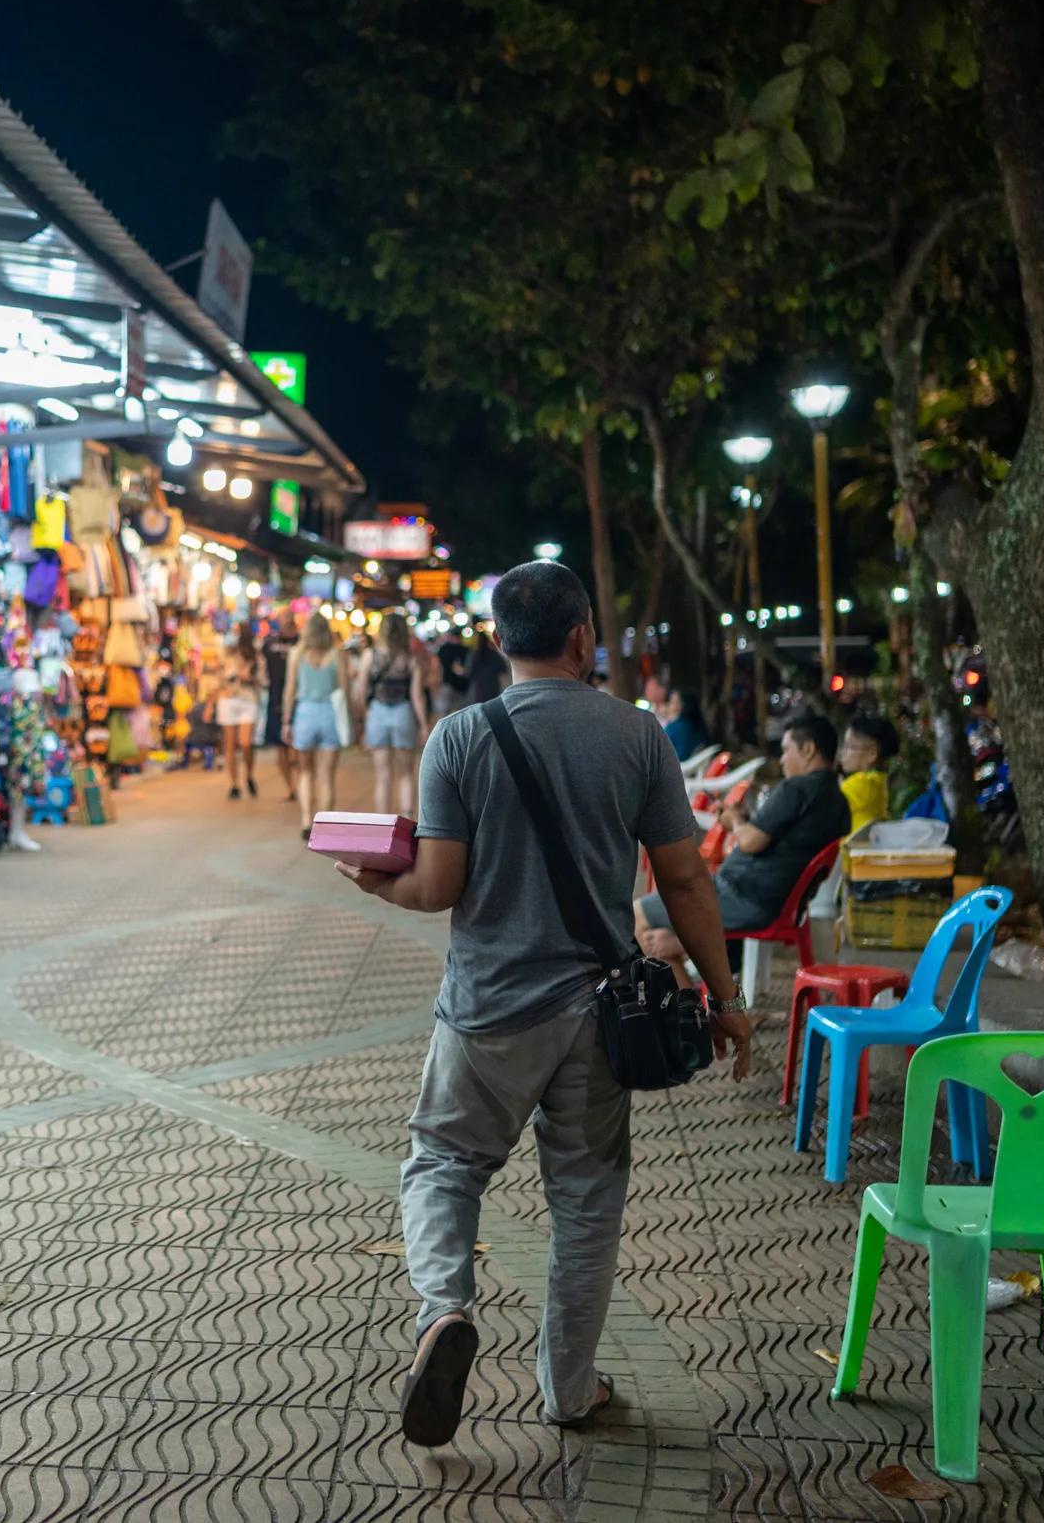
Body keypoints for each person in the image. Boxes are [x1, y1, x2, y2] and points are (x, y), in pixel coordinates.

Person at [336, 561, 750, 1447]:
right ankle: (568, 1390)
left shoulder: (457, 736)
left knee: (445, 1161)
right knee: (587, 1201)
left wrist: (377, 884)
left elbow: (439, 883)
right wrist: (727, 998)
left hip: (485, 1011)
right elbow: (684, 877)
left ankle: (445, 1309)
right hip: (600, 1015)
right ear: (581, 637)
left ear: (495, 641)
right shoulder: (638, 735)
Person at [638, 713, 848, 947]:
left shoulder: (797, 788)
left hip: (742, 899)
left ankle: (639, 977)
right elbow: (782, 839)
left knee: (638, 915)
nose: (782, 760)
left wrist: (735, 823)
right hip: (772, 902)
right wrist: (743, 820)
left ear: (808, 749)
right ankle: (681, 967)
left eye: (787, 750)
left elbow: (750, 842)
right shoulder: (836, 798)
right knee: (660, 941)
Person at [359, 612, 428, 818]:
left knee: (383, 775)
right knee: (406, 774)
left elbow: (361, 691)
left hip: (378, 712)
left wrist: (363, 719)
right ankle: (407, 822)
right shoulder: (410, 659)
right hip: (403, 712)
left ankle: (383, 823)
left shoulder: (370, 655)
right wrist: (423, 725)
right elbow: (418, 696)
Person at [284, 613, 346, 837]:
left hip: (305, 714)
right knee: (327, 774)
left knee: (305, 772)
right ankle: (327, 823)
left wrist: (286, 720)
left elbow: (290, 689)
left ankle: (305, 821)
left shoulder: (296, 654)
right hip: (330, 713)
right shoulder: (337, 655)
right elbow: (343, 689)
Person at [215, 626, 265, 800]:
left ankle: (249, 775)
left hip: (247, 699)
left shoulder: (255, 656)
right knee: (229, 744)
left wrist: (249, 677)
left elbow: (263, 679)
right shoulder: (227, 655)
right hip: (228, 699)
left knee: (246, 742)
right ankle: (233, 783)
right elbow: (220, 677)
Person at [839, 712, 899, 833]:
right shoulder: (878, 781)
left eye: (849, 746)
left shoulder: (860, 784)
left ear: (872, 754)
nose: (842, 752)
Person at [262, 622, 298, 802]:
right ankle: (290, 787)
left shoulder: (301, 644)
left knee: (297, 749)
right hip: (276, 699)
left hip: (296, 701)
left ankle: (298, 784)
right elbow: (262, 666)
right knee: (281, 748)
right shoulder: (269, 643)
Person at [658, 686, 708, 763]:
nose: (669, 706)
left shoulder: (676, 727)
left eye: (673, 702)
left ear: (679, 706)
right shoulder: (697, 727)